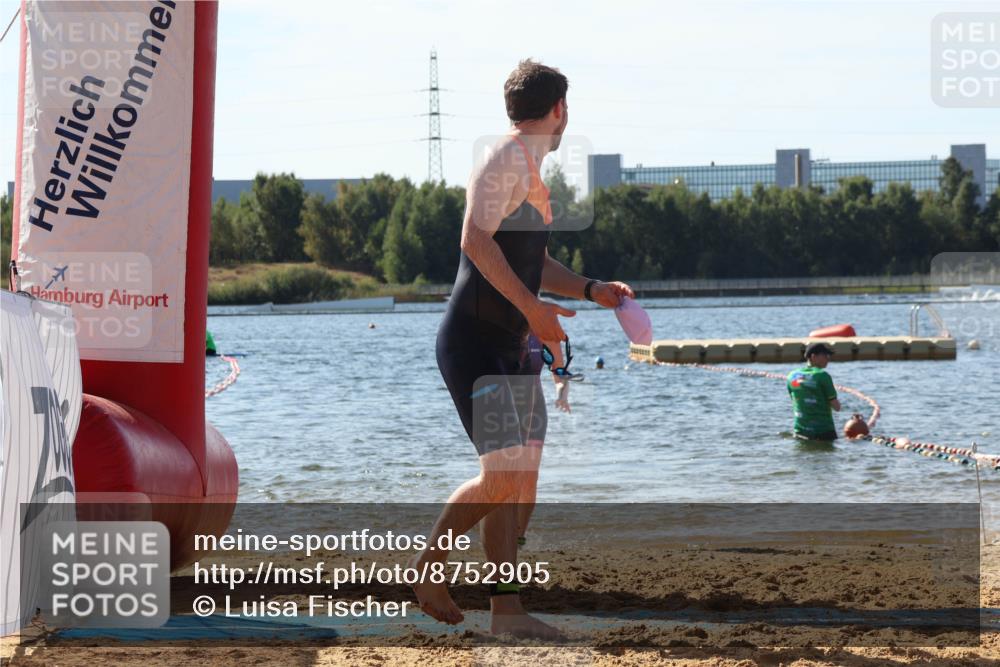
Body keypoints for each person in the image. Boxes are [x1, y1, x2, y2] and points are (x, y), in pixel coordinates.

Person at [411, 59, 634, 639]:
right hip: (475, 342)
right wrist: (534, 309)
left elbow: (531, 263)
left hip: (514, 344)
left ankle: (505, 611)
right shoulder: (505, 157)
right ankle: (427, 567)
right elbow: (475, 241)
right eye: (567, 110)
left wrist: (590, 289)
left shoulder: (529, 167)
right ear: (559, 109)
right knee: (502, 476)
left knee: (522, 483)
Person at [787, 342, 842, 442]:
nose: (828, 358)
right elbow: (836, 407)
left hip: (800, 431)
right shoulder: (822, 375)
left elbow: (796, 400)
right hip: (823, 432)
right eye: (825, 355)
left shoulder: (792, 376)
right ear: (813, 356)